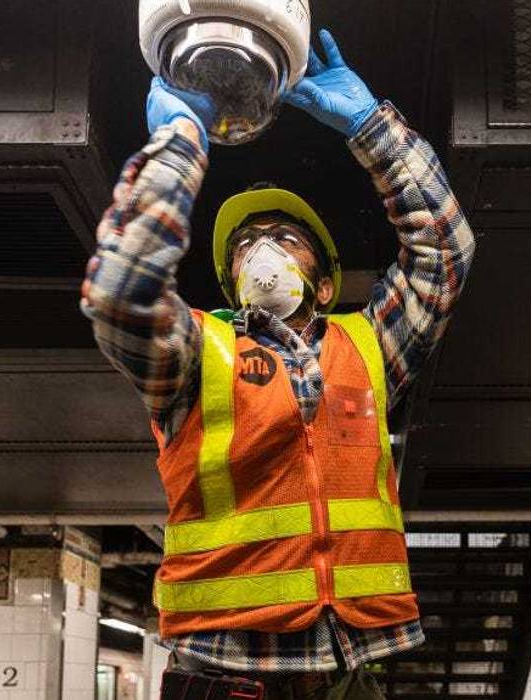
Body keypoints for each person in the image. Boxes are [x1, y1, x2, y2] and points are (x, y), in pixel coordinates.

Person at [81, 29, 475, 700]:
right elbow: (120, 293)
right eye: (245, 246)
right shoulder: (193, 354)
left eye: (285, 239)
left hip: (355, 669)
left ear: (322, 285)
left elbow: (443, 251)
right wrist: (180, 144)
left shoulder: (370, 346)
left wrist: (373, 128)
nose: (262, 249)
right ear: (232, 283)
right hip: (225, 669)